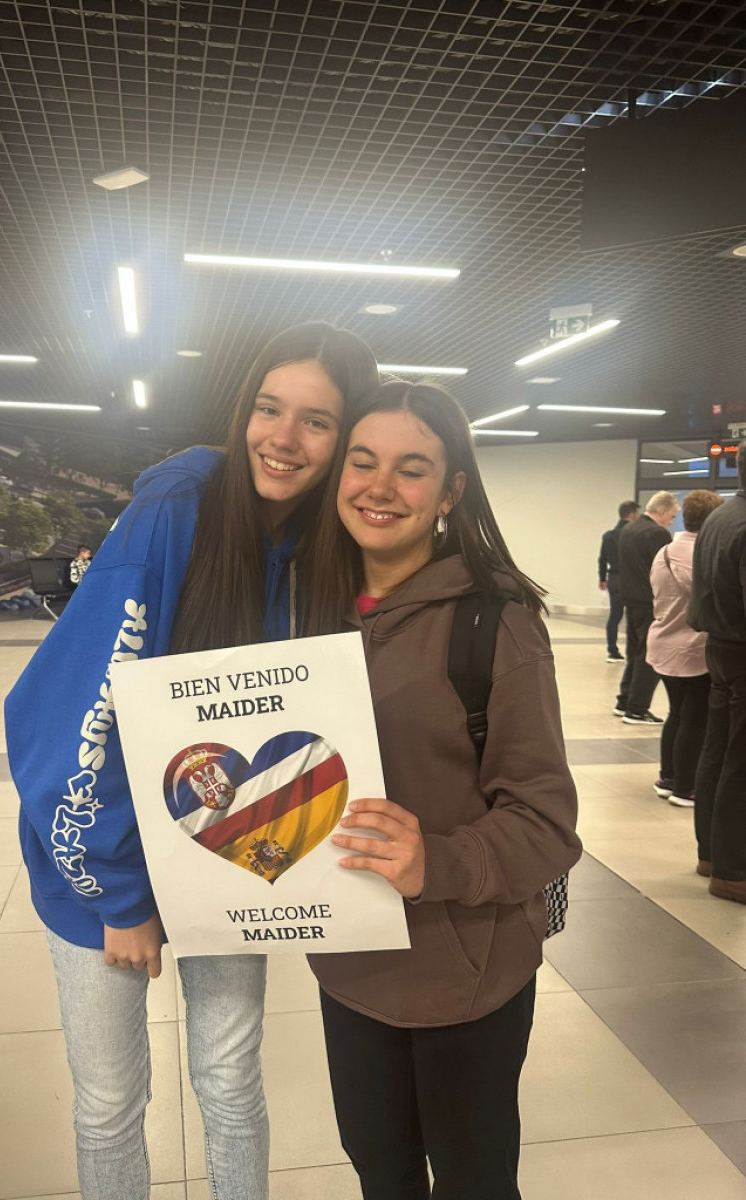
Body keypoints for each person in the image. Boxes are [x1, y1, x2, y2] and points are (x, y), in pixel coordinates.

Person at [4, 323, 378, 1200]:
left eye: (317, 421)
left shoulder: (325, 548)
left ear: (345, 438)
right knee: (109, 1102)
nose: (283, 438)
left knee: (231, 1078)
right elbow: (75, 722)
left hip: (230, 850)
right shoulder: (175, 512)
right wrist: (120, 896)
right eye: (269, 409)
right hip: (100, 860)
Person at [308, 381, 581, 1200]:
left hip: (468, 967)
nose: (380, 487)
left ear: (451, 491)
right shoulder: (307, 611)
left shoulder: (495, 622)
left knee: (473, 1178)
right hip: (351, 962)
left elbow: (546, 821)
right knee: (380, 1167)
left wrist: (437, 860)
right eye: (362, 462)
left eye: (412, 468)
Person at [689, 441, 746, 903]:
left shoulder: (720, 516)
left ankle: (710, 853)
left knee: (717, 747)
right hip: (743, 649)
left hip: (719, 647)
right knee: (741, 759)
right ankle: (732, 871)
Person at [646, 491, 723, 807]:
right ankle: (685, 787)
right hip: (692, 648)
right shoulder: (703, 555)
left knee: (677, 713)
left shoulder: (664, 551)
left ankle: (668, 778)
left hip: (662, 642)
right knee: (694, 718)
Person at [614, 490, 679, 724]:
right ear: (662, 511)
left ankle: (624, 701)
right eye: (671, 516)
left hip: (631, 599)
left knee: (635, 652)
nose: (670, 522)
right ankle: (637, 708)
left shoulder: (629, 529)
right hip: (650, 601)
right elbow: (664, 570)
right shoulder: (657, 534)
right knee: (650, 654)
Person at [599, 500, 639, 662]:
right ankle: (634, 650)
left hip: (614, 578)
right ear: (632, 514)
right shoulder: (633, 534)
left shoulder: (608, 536)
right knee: (633, 616)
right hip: (630, 579)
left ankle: (612, 650)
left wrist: (602, 578)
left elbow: (602, 559)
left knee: (615, 615)